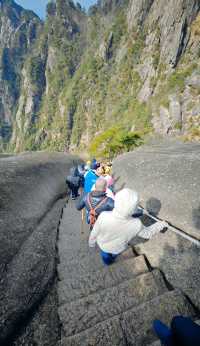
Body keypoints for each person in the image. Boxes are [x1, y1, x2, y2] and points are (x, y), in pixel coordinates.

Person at [89, 188, 167, 265]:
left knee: (105, 256)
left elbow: (95, 232)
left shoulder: (104, 216)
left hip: (103, 245)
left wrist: (91, 243)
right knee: (115, 253)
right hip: (118, 248)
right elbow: (148, 233)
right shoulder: (136, 224)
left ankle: (107, 262)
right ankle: (113, 258)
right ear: (134, 209)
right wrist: (161, 225)